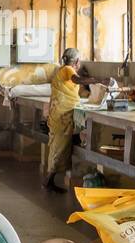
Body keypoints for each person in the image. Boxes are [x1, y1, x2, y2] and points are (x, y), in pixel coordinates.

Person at [44, 47, 103, 194]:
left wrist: (85, 76)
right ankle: (48, 181)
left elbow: (77, 78)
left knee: (59, 148)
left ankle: (49, 180)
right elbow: (76, 79)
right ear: (77, 61)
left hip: (59, 113)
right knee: (59, 149)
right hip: (62, 115)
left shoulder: (63, 70)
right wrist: (98, 80)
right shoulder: (67, 70)